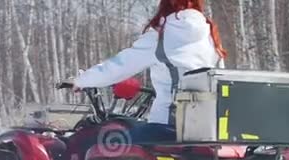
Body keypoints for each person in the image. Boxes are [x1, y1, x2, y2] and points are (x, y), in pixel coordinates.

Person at [74, 0, 227, 142]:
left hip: (168, 127)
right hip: (210, 130)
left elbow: (119, 66)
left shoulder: (163, 35)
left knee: (106, 145)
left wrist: (80, 81)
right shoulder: (210, 34)